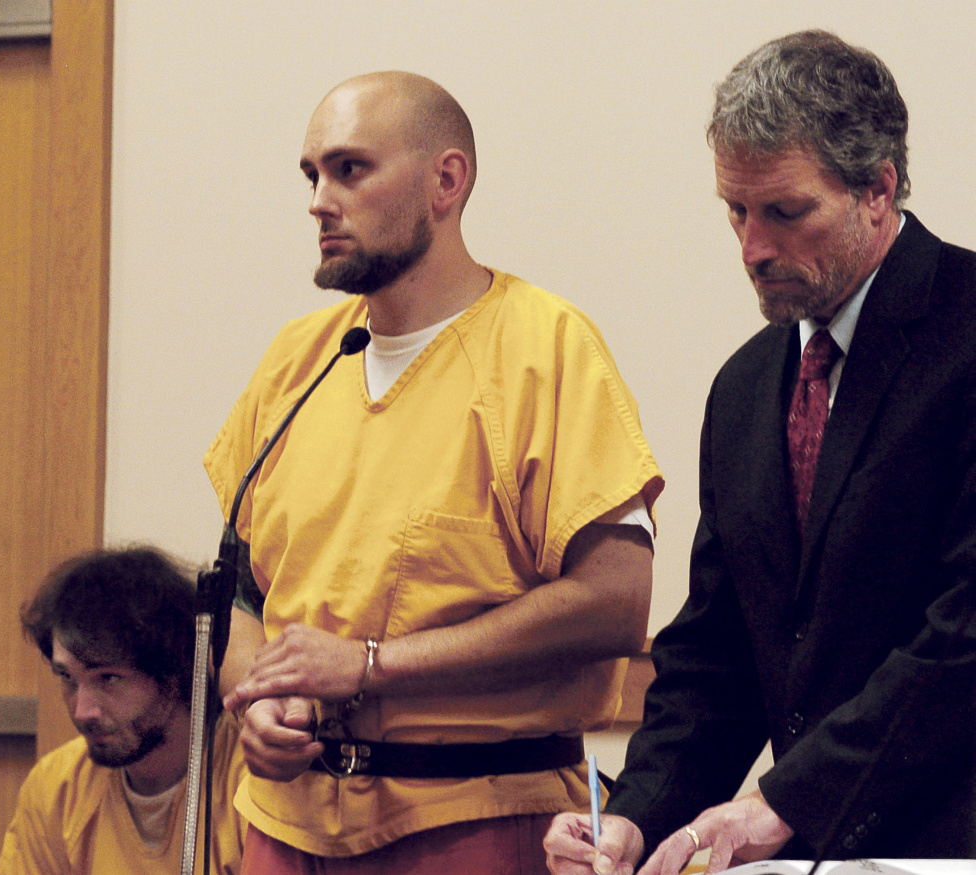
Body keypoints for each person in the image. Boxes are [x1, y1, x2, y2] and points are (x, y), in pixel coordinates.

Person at [206, 71, 663, 873]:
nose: (319, 201)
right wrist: (257, 699)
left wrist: (370, 665)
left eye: (350, 169)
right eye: (312, 175)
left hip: (473, 815)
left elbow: (614, 603)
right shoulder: (298, 360)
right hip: (287, 823)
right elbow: (244, 588)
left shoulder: (545, 348)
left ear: (446, 181)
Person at [544, 29, 976, 875]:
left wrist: (786, 800)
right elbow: (719, 653)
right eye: (736, 211)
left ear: (878, 188)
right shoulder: (745, 388)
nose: (752, 248)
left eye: (785, 212)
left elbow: (965, 636)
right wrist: (634, 815)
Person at [0, 546, 247, 875]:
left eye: (108, 678)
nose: (82, 711)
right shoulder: (57, 787)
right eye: (67, 678)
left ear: (173, 673)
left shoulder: (249, 777)